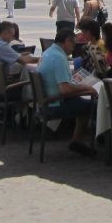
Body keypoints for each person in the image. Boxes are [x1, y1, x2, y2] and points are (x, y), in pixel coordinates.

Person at [36, 28, 96, 156]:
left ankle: (77, 140)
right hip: (55, 103)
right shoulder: (59, 58)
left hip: (47, 100)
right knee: (93, 105)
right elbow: (65, 89)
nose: (74, 48)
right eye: (73, 44)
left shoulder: (47, 52)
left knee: (83, 101)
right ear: (67, 41)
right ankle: (83, 140)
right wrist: (86, 88)